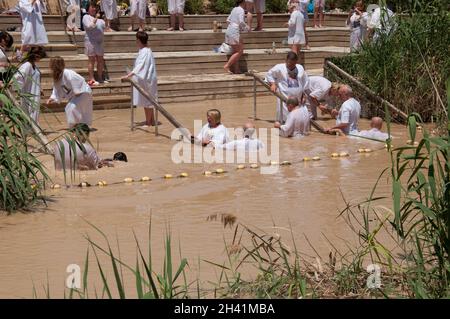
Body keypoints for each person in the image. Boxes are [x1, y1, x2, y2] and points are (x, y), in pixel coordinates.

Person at [121, 31, 158, 126]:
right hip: (147, 78)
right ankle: (151, 121)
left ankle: (149, 122)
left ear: (139, 40)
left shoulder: (145, 51)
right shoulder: (145, 50)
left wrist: (129, 75)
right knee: (149, 100)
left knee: (148, 101)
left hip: (147, 79)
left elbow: (140, 65)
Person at [46, 56, 93, 128]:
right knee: (70, 108)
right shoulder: (57, 76)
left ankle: (77, 125)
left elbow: (77, 79)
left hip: (83, 92)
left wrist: (77, 90)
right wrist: (52, 98)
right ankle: (77, 125)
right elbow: (56, 88)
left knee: (72, 108)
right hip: (75, 94)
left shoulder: (67, 73)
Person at [265, 51, 309, 123]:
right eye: (289, 63)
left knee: (298, 117)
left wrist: (304, 94)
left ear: (296, 62)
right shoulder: (279, 67)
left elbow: (305, 81)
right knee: (285, 117)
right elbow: (269, 74)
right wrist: (273, 84)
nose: (291, 65)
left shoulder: (300, 68)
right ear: (286, 60)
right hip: (285, 97)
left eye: (293, 64)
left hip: (298, 98)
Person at [12, 46, 46, 123]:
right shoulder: (27, 65)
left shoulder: (34, 66)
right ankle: (29, 131)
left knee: (34, 112)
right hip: (28, 94)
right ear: (36, 56)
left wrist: (40, 88)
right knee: (29, 112)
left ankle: (33, 130)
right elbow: (18, 77)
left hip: (35, 93)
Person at [82, 2, 106, 86]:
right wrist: (95, 18)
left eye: (95, 7)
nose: (94, 9)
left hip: (99, 42)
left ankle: (100, 77)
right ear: (88, 8)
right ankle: (92, 79)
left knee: (100, 60)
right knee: (91, 60)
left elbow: (103, 28)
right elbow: (89, 27)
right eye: (92, 7)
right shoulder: (86, 17)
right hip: (90, 41)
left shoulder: (101, 20)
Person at [223, 0, 249, 74]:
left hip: (229, 30)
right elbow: (241, 21)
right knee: (239, 51)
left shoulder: (234, 9)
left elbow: (227, 20)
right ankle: (227, 66)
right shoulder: (241, 10)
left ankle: (236, 69)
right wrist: (247, 28)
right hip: (234, 31)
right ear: (243, 2)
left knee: (236, 51)